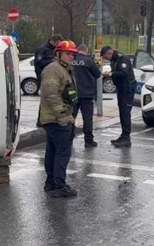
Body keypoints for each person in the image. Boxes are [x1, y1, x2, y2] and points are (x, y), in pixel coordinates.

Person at [39, 40, 79, 198]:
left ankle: (51, 183)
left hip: (57, 117)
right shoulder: (54, 69)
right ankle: (59, 185)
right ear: (58, 54)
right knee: (62, 153)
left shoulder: (64, 69)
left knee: (53, 151)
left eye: (73, 54)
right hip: (57, 119)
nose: (71, 57)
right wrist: (63, 116)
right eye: (68, 54)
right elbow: (51, 95)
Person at [101, 46, 136, 148]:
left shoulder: (122, 58)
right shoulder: (115, 60)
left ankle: (126, 138)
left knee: (125, 113)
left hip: (127, 89)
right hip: (121, 89)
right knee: (122, 113)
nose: (106, 59)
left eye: (105, 56)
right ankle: (123, 135)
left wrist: (110, 74)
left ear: (110, 53)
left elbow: (124, 73)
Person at [71, 44, 101, 147]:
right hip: (87, 94)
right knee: (87, 118)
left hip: (72, 93)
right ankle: (88, 140)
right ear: (86, 51)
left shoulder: (71, 60)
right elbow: (97, 74)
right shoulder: (88, 61)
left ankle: (69, 137)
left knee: (71, 117)